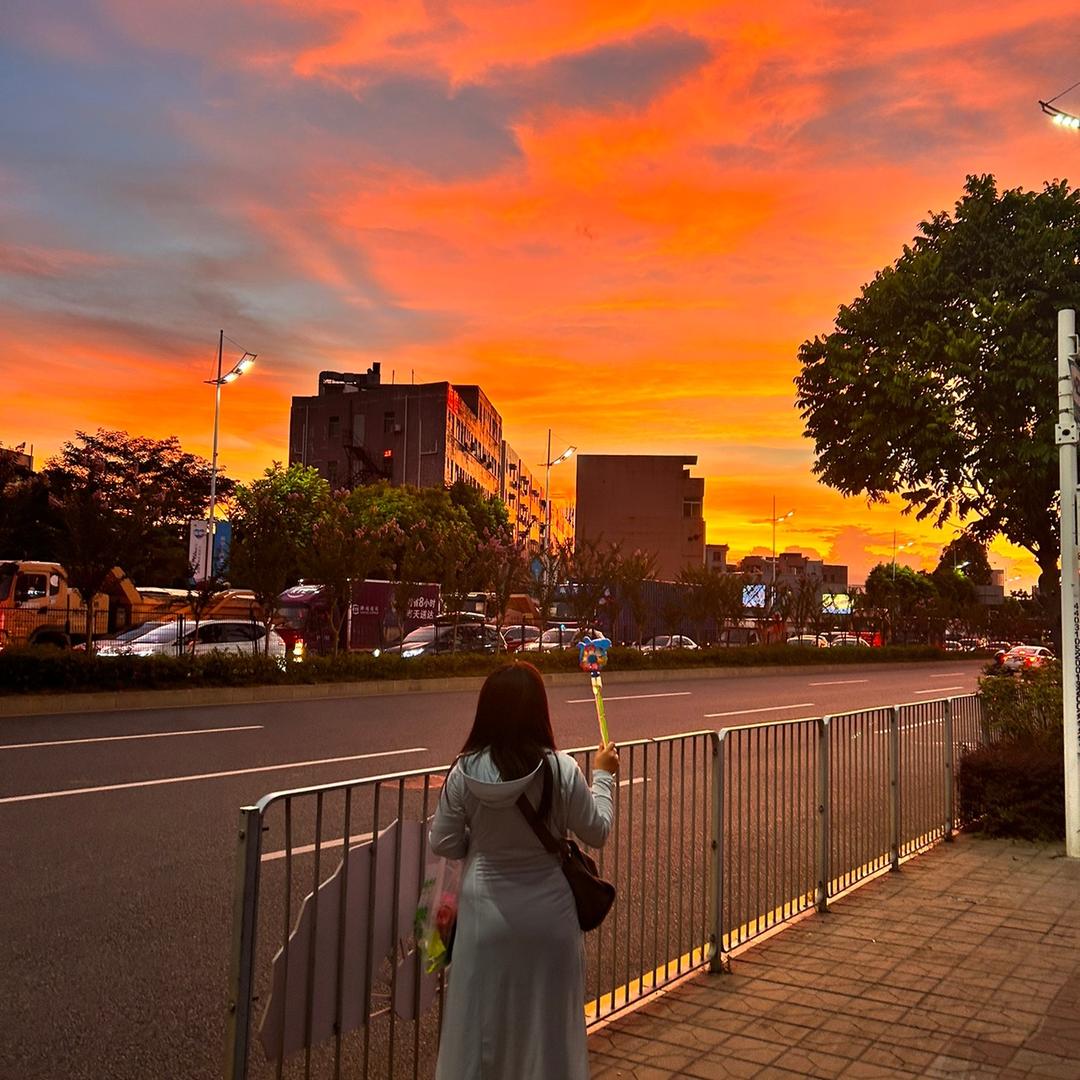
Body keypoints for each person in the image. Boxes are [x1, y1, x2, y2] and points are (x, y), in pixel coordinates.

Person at [429, 660, 620, 1080]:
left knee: (477, 1032)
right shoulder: (561, 769)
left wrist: (479, 847)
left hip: (483, 921)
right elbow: (598, 831)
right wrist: (604, 777)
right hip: (549, 920)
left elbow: (441, 841)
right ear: (539, 712)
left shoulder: (463, 771)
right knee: (546, 1033)